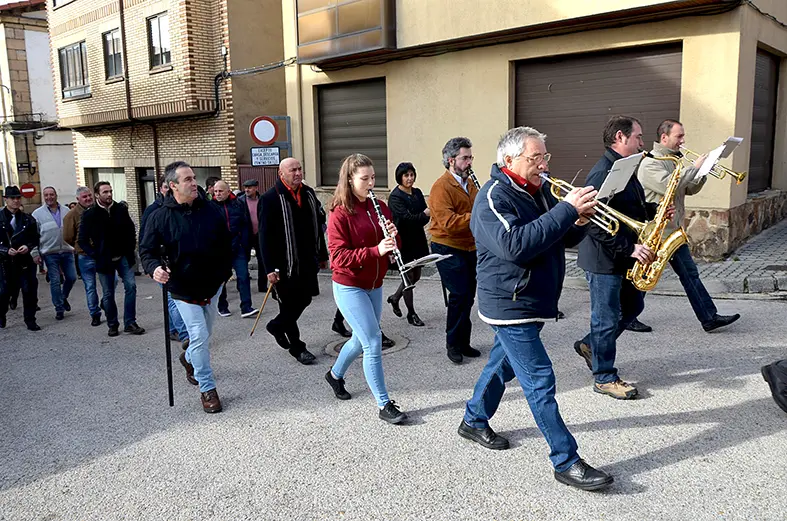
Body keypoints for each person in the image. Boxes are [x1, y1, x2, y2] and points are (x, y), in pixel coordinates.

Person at [462, 126, 612, 491]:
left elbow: (557, 236)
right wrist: (565, 211)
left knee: (503, 364)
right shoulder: (492, 198)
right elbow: (514, 245)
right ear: (509, 160)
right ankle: (566, 460)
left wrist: (577, 220)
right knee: (540, 379)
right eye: (536, 158)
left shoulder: (538, 190)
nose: (544, 164)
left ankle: (474, 419)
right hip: (509, 303)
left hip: (533, 299)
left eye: (545, 156)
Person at [574, 115, 672, 400]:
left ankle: (590, 345)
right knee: (606, 318)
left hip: (622, 254)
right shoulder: (601, 173)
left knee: (632, 306)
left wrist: (655, 210)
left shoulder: (625, 166)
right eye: (638, 137)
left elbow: (630, 207)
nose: (643, 142)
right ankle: (604, 377)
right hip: (604, 259)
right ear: (620, 137)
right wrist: (629, 248)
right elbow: (591, 221)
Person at [140, 161, 232, 413]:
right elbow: (146, 251)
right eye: (188, 179)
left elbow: (225, 243)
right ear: (172, 186)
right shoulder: (158, 216)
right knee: (199, 336)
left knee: (204, 336)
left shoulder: (211, 209)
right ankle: (207, 388)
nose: (194, 183)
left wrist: (225, 272)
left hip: (212, 286)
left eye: (194, 178)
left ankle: (188, 358)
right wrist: (154, 268)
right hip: (182, 287)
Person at [635, 119, 740, 333]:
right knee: (644, 276)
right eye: (679, 136)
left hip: (672, 231)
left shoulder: (674, 161)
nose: (683, 141)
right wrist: (694, 167)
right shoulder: (651, 162)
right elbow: (668, 185)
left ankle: (709, 318)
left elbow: (688, 189)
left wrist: (703, 173)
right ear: (664, 138)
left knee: (689, 274)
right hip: (655, 232)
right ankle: (624, 315)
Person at [325, 153, 408, 424]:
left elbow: (389, 245)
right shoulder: (339, 213)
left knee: (360, 340)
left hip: (375, 283)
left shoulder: (380, 207)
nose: (371, 183)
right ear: (349, 180)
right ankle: (385, 404)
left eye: (373, 177)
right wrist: (375, 250)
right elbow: (337, 258)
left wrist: (393, 242)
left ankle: (335, 375)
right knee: (373, 341)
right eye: (364, 179)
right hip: (349, 285)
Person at [260, 157, 328, 365]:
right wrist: (269, 268)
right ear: (282, 174)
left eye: (300, 169)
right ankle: (298, 347)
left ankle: (276, 326)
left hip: (307, 260)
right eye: (293, 170)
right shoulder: (270, 198)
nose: (298, 173)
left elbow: (318, 224)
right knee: (288, 304)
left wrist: (323, 254)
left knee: (305, 299)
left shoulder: (308, 193)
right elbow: (264, 237)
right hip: (284, 265)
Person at [429, 137, 481, 364]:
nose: (470, 162)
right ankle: (452, 343)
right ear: (451, 161)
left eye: (470, 157)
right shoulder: (441, 187)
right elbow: (447, 222)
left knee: (468, 295)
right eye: (465, 158)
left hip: (469, 246)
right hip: (447, 246)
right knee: (459, 295)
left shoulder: (469, 184)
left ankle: (464, 342)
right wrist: (477, 217)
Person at [78, 181, 145, 337]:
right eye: (105, 192)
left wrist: (130, 248)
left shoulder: (120, 209)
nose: (109, 195)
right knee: (108, 293)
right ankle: (113, 323)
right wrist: (95, 253)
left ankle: (130, 322)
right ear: (97, 195)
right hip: (104, 259)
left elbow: (130, 230)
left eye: (110, 191)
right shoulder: (90, 214)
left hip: (123, 256)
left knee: (131, 286)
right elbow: (82, 240)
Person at [140, 179, 189, 347]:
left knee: (172, 300)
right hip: (162, 266)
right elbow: (145, 241)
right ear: (161, 189)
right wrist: (151, 266)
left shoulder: (182, 209)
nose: (170, 190)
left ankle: (172, 329)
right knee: (172, 300)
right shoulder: (153, 211)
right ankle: (184, 335)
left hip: (179, 266)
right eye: (166, 187)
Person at [386, 162, 430, 326]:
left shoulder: (417, 193)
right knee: (408, 276)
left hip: (417, 239)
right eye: (406, 175)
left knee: (416, 275)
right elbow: (407, 219)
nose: (410, 178)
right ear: (400, 177)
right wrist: (421, 216)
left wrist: (421, 216)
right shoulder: (396, 197)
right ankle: (411, 313)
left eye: (411, 175)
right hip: (402, 240)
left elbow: (426, 215)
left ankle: (395, 297)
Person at [212, 180, 257, 318]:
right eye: (215, 191)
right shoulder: (210, 207)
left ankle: (246, 307)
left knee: (243, 276)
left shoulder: (238, 204)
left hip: (238, 248)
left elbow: (245, 225)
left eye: (220, 191)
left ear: (228, 191)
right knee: (222, 279)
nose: (218, 194)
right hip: (220, 250)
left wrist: (244, 244)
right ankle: (222, 306)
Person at [32, 187, 77, 321]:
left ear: (56, 195)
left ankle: (63, 298)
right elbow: (33, 236)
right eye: (46, 195)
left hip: (67, 250)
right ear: (43, 197)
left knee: (72, 277)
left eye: (51, 194)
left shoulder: (66, 211)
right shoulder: (37, 214)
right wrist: (35, 253)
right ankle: (59, 308)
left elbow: (73, 229)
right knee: (55, 281)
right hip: (49, 252)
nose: (49, 197)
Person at [0, 186, 40, 330]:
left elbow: (35, 238)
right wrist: (4, 250)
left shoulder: (27, 219)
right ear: (6, 200)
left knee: (29, 290)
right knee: (3, 292)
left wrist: (28, 247)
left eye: (18, 198)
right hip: (4, 262)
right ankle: (1, 314)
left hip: (24, 261)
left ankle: (30, 319)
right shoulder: (0, 218)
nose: (16, 201)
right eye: (13, 198)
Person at [64, 186, 101, 325]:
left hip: (101, 254)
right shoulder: (72, 215)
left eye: (89, 196)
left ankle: (106, 303)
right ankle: (95, 313)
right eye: (84, 197)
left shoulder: (98, 210)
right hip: (85, 256)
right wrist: (79, 247)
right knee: (90, 286)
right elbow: (67, 236)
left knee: (112, 281)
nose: (88, 199)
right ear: (78, 199)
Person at [238, 178, 266, 292]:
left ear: (256, 188)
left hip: (259, 234)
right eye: (245, 188)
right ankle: (242, 286)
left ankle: (262, 286)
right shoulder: (240, 201)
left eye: (249, 187)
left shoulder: (262, 200)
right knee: (244, 261)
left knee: (262, 260)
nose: (247, 190)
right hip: (246, 235)